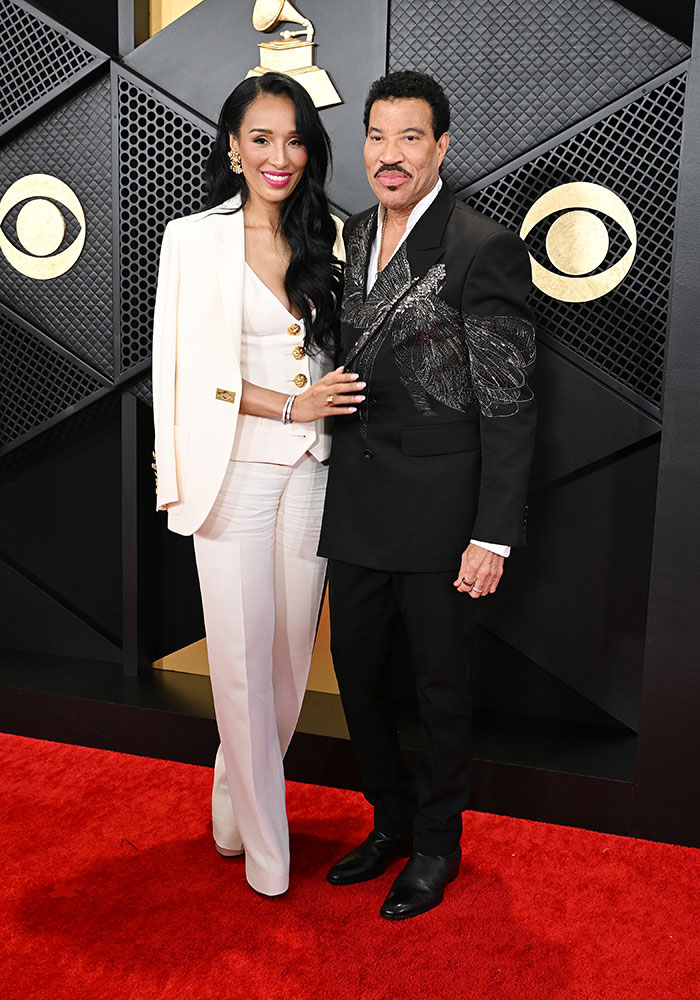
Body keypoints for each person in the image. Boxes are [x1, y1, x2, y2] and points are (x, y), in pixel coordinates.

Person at [318, 71, 536, 920]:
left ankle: (438, 846)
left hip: (444, 514)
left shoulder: (482, 245)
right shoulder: (354, 234)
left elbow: (511, 403)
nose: (390, 154)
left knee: (441, 686)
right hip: (357, 505)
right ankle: (390, 820)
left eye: (411, 137)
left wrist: (495, 535)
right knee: (358, 677)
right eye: (378, 136)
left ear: (441, 146)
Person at [151, 71, 363, 897]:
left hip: (311, 471)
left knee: (283, 668)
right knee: (238, 664)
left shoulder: (330, 236)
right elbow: (182, 371)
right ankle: (271, 857)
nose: (280, 156)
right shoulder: (193, 239)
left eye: (295, 138)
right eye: (263, 138)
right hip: (231, 471)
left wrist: (319, 406)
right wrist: (291, 404)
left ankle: (235, 805)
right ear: (234, 147)